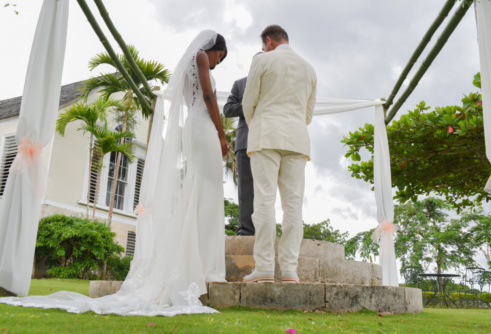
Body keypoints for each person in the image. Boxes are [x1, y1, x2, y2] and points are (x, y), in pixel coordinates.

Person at [0, 30, 230, 316]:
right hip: (205, 126)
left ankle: (197, 263)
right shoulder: (199, 57)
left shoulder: (188, 64)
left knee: (201, 190)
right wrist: (222, 134)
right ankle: (205, 266)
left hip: (197, 128)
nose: (218, 64)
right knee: (208, 191)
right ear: (213, 48)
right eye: (220, 57)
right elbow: (207, 95)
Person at [242, 25, 317, 283]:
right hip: (297, 139)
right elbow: (308, 113)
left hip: (265, 135)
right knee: (293, 205)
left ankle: (263, 267)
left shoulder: (263, 60)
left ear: (268, 41)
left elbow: (248, 101)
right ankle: (289, 270)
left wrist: (259, 125)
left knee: (264, 200)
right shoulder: (309, 68)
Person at [223, 76, 255, 236]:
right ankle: (246, 231)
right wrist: (249, 106)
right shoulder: (240, 84)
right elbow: (227, 109)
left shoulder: (277, 80)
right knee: (246, 190)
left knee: (267, 190)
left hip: (271, 142)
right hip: (245, 142)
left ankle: (265, 230)